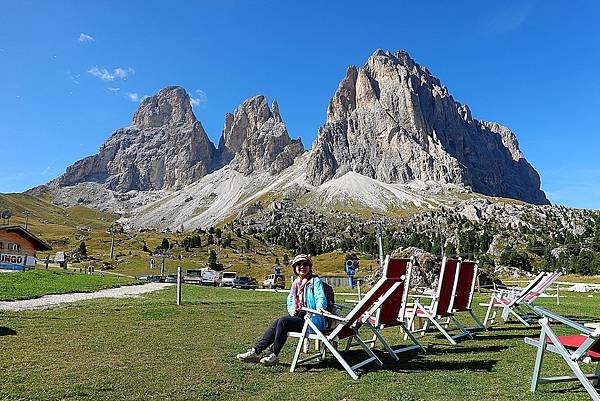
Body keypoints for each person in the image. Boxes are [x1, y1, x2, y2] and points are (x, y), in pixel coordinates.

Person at [236, 254, 327, 366]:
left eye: (305, 264)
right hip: (299, 316)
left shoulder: (315, 281)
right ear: (295, 268)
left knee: (283, 322)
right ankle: (256, 351)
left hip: (313, 319)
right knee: (279, 322)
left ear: (310, 267)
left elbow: (320, 297)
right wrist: (292, 310)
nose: (302, 267)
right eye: (299, 264)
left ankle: (273, 354)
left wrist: (320, 307)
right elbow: (290, 300)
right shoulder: (296, 283)